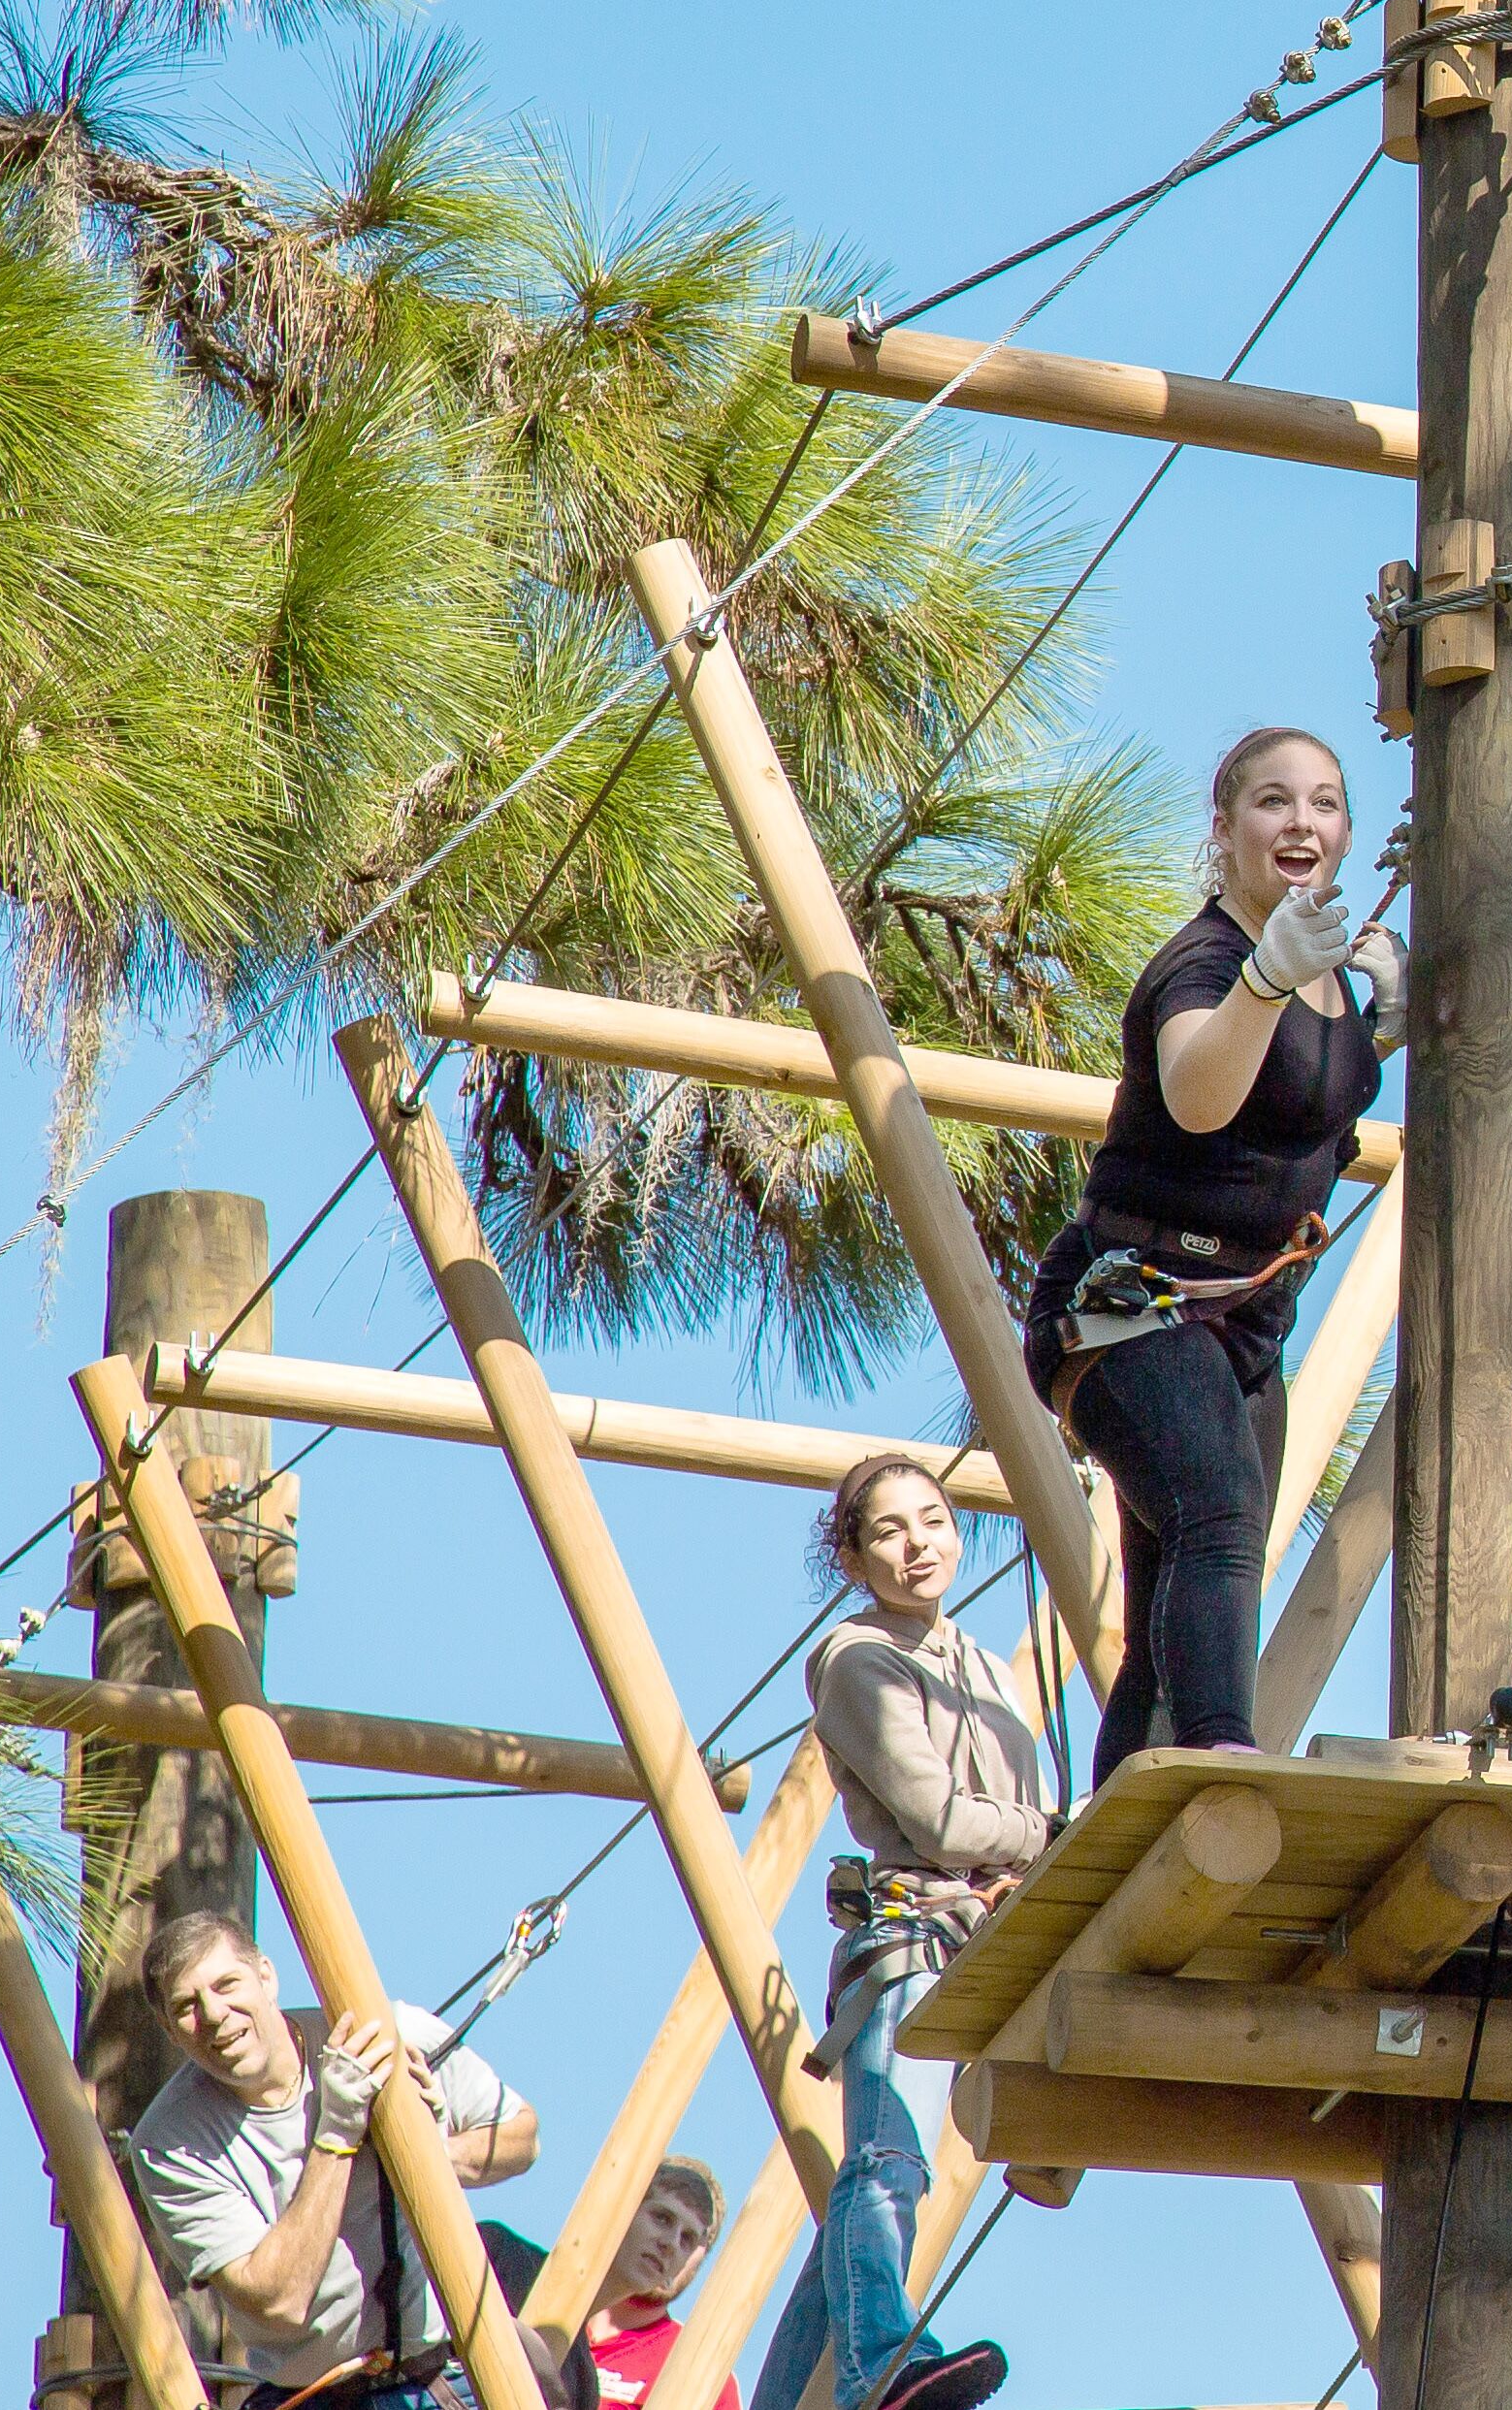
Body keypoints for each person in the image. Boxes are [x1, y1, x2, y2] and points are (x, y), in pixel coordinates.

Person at [1017, 723, 1398, 1773]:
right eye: (1274, 802)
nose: (1301, 822)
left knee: (1182, 1593)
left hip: (1242, 1328)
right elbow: (1196, 1096)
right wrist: (1265, 984)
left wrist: (1377, 1025)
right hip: (1132, 1304)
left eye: (1323, 803)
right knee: (1219, 1521)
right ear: (1224, 829)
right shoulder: (1208, 962)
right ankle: (1222, 1768)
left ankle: (1126, 1820)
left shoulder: (1315, 966)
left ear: (1347, 833)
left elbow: (1301, 1106)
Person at [756, 1455, 1044, 2410]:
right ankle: (878, 2362)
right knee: (887, 2163)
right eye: (889, 1530)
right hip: (916, 1939)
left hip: (991, 1942)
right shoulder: (855, 1659)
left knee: (871, 2194)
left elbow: (1001, 1818)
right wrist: (1047, 1835)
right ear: (851, 1553)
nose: (918, 1545)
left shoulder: (984, 1668)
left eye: (932, 1522)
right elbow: (946, 1823)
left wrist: (1030, 1847)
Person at [124, 1911, 539, 2407]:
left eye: (226, 1984)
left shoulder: (383, 2033)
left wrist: (430, 2152)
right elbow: (280, 2302)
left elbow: (521, 2138)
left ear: (266, 1976)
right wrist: (337, 2132)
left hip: (443, 2375)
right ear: (171, 2032)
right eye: (187, 2006)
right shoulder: (170, 2141)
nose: (214, 2015)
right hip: (319, 2393)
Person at [578, 2160, 732, 2410]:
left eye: (688, 2239)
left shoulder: (698, 2369)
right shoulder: (544, 2296)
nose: (670, 2244)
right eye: (662, 2218)